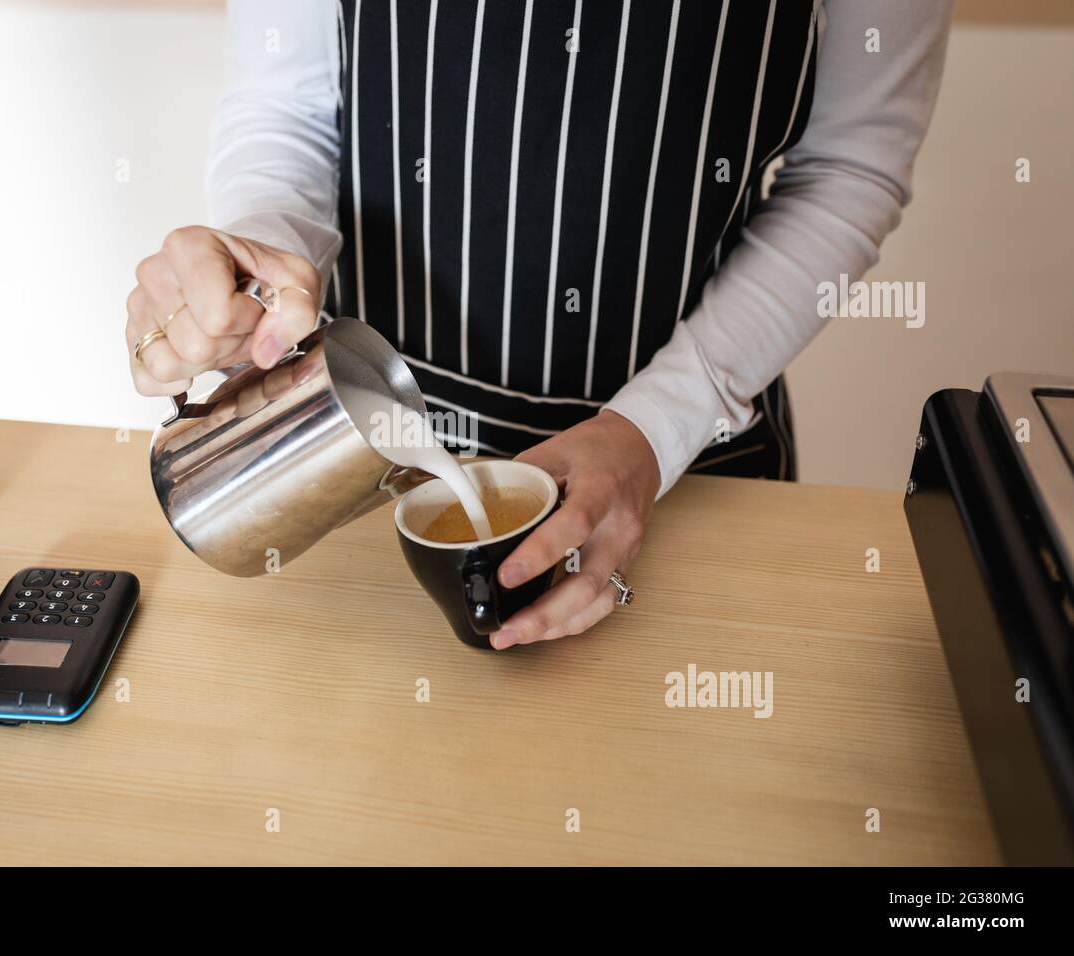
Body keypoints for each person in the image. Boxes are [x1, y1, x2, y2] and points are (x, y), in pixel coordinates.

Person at [125, 0, 950, 649]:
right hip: (364, 454)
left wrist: (652, 433)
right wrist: (261, 261)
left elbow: (852, 167)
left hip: (690, 466)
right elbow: (291, 111)